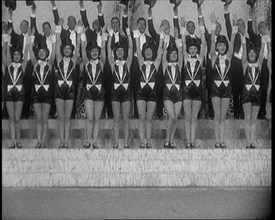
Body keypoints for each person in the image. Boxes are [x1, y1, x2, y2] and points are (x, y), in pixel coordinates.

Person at [209, 12, 238, 148]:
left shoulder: (228, 57)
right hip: (215, 88)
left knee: (223, 117)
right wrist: (213, 25)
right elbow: (211, 41)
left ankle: (223, 140)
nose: (222, 47)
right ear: (217, 47)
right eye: (219, 45)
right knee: (217, 115)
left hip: (226, 88)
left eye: (223, 45)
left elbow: (232, 43)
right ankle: (217, 141)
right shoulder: (213, 57)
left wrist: (234, 27)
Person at [122, 6, 156, 119]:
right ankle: (132, 113)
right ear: (137, 25)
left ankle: (143, 113)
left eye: (143, 24)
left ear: (145, 27)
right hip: (134, 63)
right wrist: (125, 14)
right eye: (140, 24)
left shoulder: (150, 39)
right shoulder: (131, 36)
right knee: (133, 86)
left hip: (146, 67)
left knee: (142, 87)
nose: (142, 26)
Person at [134, 26, 164, 148]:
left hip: (152, 93)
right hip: (141, 93)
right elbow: (137, 48)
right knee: (142, 117)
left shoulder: (156, 63)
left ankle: (149, 141)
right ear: (143, 53)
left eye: (150, 51)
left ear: (153, 52)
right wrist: (136, 37)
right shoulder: (141, 62)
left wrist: (161, 36)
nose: (148, 52)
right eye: (146, 51)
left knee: (149, 118)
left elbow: (160, 51)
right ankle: (142, 142)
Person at [54, 18, 81, 148]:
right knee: (61, 117)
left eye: (69, 49)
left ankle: (67, 141)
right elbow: (57, 43)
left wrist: (80, 31)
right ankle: (61, 141)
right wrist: (59, 27)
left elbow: (80, 45)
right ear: (62, 50)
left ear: (71, 51)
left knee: (68, 117)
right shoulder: (58, 58)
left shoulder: (74, 59)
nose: (66, 50)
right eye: (65, 48)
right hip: (59, 89)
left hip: (70, 89)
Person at [80, 25, 108, 149]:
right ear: (89, 53)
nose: (95, 52)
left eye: (96, 51)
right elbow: (82, 48)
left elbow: (104, 49)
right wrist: (82, 34)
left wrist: (102, 35)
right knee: (90, 118)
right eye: (92, 51)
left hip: (100, 92)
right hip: (88, 92)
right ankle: (87, 140)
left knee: (97, 118)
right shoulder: (86, 62)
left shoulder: (101, 63)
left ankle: (95, 141)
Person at [180, 16, 206, 148]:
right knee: (187, 117)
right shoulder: (185, 59)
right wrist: (183, 29)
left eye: (194, 49)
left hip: (197, 92)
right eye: (191, 49)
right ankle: (187, 141)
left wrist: (202, 28)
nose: (192, 50)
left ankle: (193, 141)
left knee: (194, 117)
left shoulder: (200, 60)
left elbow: (204, 45)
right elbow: (183, 45)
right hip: (186, 91)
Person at [28, 28, 56, 148]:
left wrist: (54, 40)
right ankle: (38, 141)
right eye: (40, 52)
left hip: (47, 94)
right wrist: (31, 37)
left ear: (47, 53)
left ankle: (43, 142)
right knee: (38, 118)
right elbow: (30, 50)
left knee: (45, 119)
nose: (41, 53)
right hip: (36, 94)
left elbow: (54, 52)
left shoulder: (49, 64)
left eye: (44, 52)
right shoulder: (35, 64)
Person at [2, 28, 30, 148]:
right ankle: (12, 140)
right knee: (11, 118)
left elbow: (26, 49)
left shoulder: (23, 66)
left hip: (19, 93)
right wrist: (6, 39)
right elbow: (5, 52)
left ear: (21, 56)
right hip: (9, 93)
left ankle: (18, 140)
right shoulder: (8, 66)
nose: (17, 56)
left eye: (19, 54)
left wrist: (29, 39)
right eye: (15, 54)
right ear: (13, 55)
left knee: (17, 117)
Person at [148, 6, 176, 120]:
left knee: (172, 91)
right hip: (160, 70)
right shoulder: (157, 37)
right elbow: (150, 29)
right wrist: (150, 13)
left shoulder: (174, 40)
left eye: (167, 26)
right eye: (163, 26)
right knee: (159, 91)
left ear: (170, 28)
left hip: (172, 70)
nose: (165, 28)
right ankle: (159, 114)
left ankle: (173, 115)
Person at [241, 31, 268, 148]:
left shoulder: (260, 64)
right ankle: (248, 142)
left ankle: (253, 141)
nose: (251, 54)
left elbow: (262, 51)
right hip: (246, 93)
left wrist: (265, 37)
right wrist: (243, 39)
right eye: (250, 52)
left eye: (253, 52)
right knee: (247, 118)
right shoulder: (245, 64)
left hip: (257, 93)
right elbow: (243, 50)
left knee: (254, 119)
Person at [107, 26, 133, 149]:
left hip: (127, 93)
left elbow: (132, 48)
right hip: (115, 93)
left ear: (124, 52)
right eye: (118, 51)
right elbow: (107, 49)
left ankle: (126, 142)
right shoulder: (113, 63)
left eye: (122, 51)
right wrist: (111, 35)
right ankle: (116, 141)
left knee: (126, 117)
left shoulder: (128, 62)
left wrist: (128, 35)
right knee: (116, 117)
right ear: (115, 53)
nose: (120, 53)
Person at [7, 7, 33, 119]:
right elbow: (10, 30)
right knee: (17, 89)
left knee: (27, 89)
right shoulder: (17, 37)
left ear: (28, 26)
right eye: (21, 25)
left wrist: (33, 13)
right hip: (17, 67)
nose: (23, 27)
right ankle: (17, 115)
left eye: (25, 25)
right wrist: (10, 17)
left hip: (29, 65)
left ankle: (25, 114)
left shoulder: (32, 36)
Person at [224, 3, 249, 119]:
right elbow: (229, 28)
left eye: (242, 24)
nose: (241, 26)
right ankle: (237, 113)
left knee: (245, 90)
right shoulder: (235, 36)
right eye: (238, 25)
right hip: (235, 66)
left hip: (245, 67)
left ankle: (243, 113)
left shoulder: (249, 39)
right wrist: (226, 11)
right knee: (235, 91)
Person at [247, 7, 269, 119]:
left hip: (269, 64)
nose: (262, 28)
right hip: (259, 66)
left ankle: (265, 112)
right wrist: (250, 16)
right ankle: (259, 113)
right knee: (260, 88)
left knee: (267, 89)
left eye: (264, 26)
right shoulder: (255, 38)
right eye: (260, 26)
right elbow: (249, 30)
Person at [162, 34, 183, 149]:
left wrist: (178, 38)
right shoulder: (165, 65)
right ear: (169, 55)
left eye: (175, 54)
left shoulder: (179, 65)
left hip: (179, 94)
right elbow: (164, 52)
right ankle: (166, 138)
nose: (174, 55)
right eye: (172, 53)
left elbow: (181, 52)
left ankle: (171, 139)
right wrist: (165, 39)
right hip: (168, 94)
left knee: (175, 118)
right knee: (172, 116)